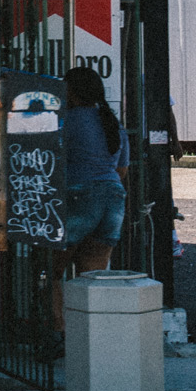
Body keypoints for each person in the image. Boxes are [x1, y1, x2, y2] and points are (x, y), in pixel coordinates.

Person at [61, 66, 129, 277]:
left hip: (79, 195)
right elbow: (122, 170)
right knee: (93, 278)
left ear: (70, 91)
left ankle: (56, 302)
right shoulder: (114, 124)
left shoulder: (66, 120)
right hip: (113, 198)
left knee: (52, 273)